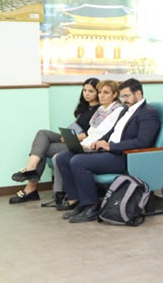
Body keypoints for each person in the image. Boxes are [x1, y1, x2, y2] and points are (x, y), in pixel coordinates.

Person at [55, 78, 161, 223]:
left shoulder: (148, 113)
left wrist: (111, 146)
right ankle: (79, 201)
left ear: (138, 93)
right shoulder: (126, 110)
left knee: (78, 161)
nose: (124, 100)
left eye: (127, 96)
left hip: (124, 157)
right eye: (122, 96)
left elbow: (142, 142)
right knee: (63, 158)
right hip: (110, 151)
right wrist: (99, 142)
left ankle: (91, 206)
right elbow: (113, 132)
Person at [10, 78, 100, 205]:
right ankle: (31, 168)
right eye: (85, 90)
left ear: (98, 92)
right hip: (71, 137)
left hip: (81, 143)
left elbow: (96, 132)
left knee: (43, 149)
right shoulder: (84, 108)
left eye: (91, 91)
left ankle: (30, 188)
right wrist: (67, 135)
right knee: (42, 134)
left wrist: (76, 137)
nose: (87, 94)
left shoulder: (100, 110)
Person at [51, 80, 125, 211]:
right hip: (88, 144)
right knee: (61, 158)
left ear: (114, 94)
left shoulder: (118, 110)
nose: (101, 95)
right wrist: (82, 144)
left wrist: (88, 145)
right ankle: (74, 198)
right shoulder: (101, 109)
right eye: (100, 92)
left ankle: (90, 203)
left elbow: (105, 132)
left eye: (106, 93)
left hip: (101, 148)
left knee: (76, 160)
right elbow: (91, 131)